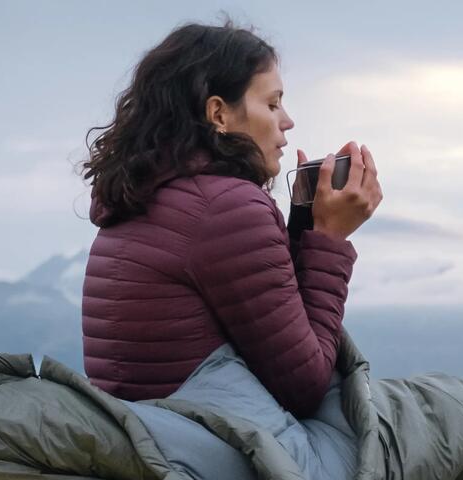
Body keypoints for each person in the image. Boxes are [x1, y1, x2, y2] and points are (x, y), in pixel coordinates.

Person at [79, 21, 383, 416]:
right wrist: (330, 238)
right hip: (209, 445)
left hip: (149, 432)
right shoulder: (226, 207)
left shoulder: (148, 195)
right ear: (218, 113)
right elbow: (306, 387)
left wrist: (302, 226)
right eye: (272, 104)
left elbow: (262, 323)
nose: (287, 120)